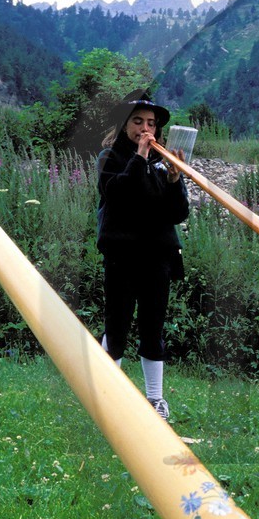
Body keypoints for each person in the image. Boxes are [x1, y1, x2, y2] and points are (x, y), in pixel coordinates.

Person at [96, 91, 190, 421]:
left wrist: (176, 181)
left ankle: (155, 400)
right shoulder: (110, 157)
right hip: (122, 256)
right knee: (117, 327)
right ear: (124, 125)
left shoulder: (164, 163)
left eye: (151, 124)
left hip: (157, 257)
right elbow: (118, 194)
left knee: (153, 329)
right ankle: (110, 399)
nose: (145, 129)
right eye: (138, 122)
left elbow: (179, 213)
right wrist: (139, 157)